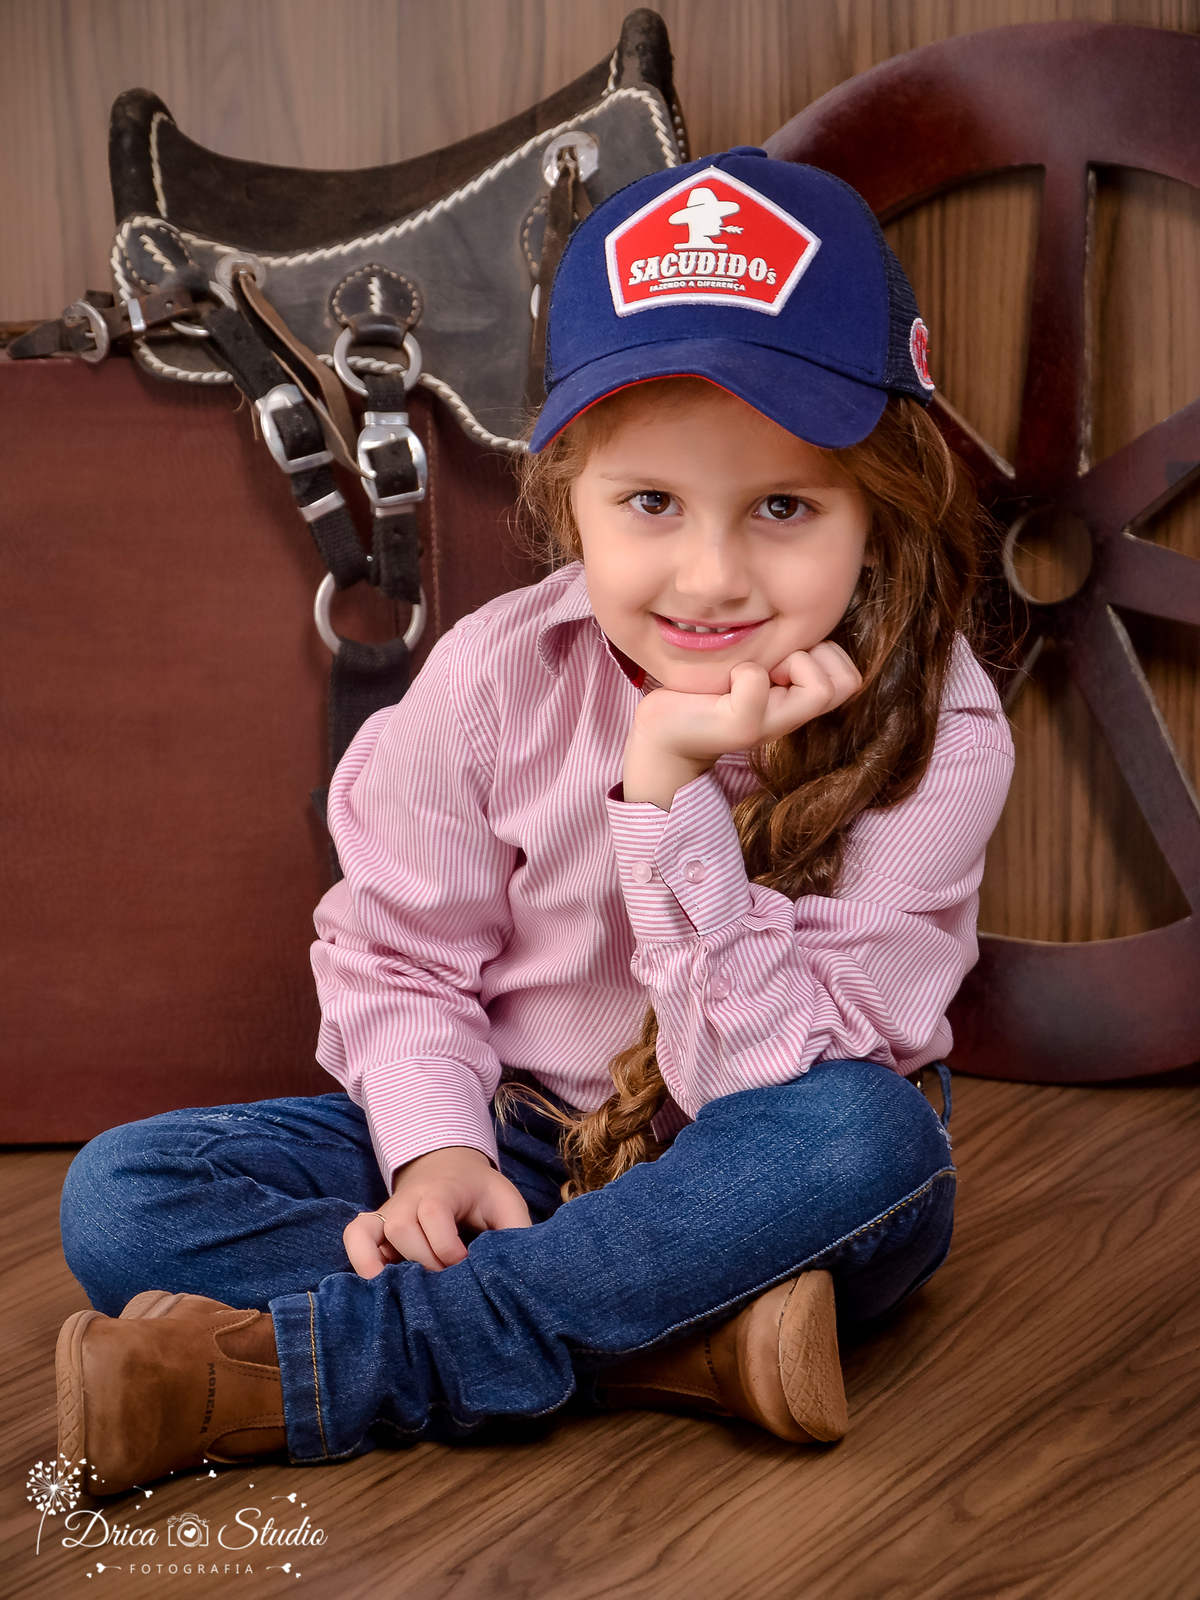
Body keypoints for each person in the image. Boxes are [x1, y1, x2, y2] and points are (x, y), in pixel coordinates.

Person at [55, 149, 1014, 1496]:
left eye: (785, 507)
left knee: (875, 1143)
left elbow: (777, 1090)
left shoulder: (940, 728)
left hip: (747, 1169)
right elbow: (401, 960)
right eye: (651, 505)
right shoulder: (498, 677)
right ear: (570, 496)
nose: (710, 575)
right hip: (521, 1137)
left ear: (880, 505)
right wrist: (438, 1151)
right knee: (122, 1197)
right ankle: (671, 1347)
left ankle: (323, 1374)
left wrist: (667, 791)